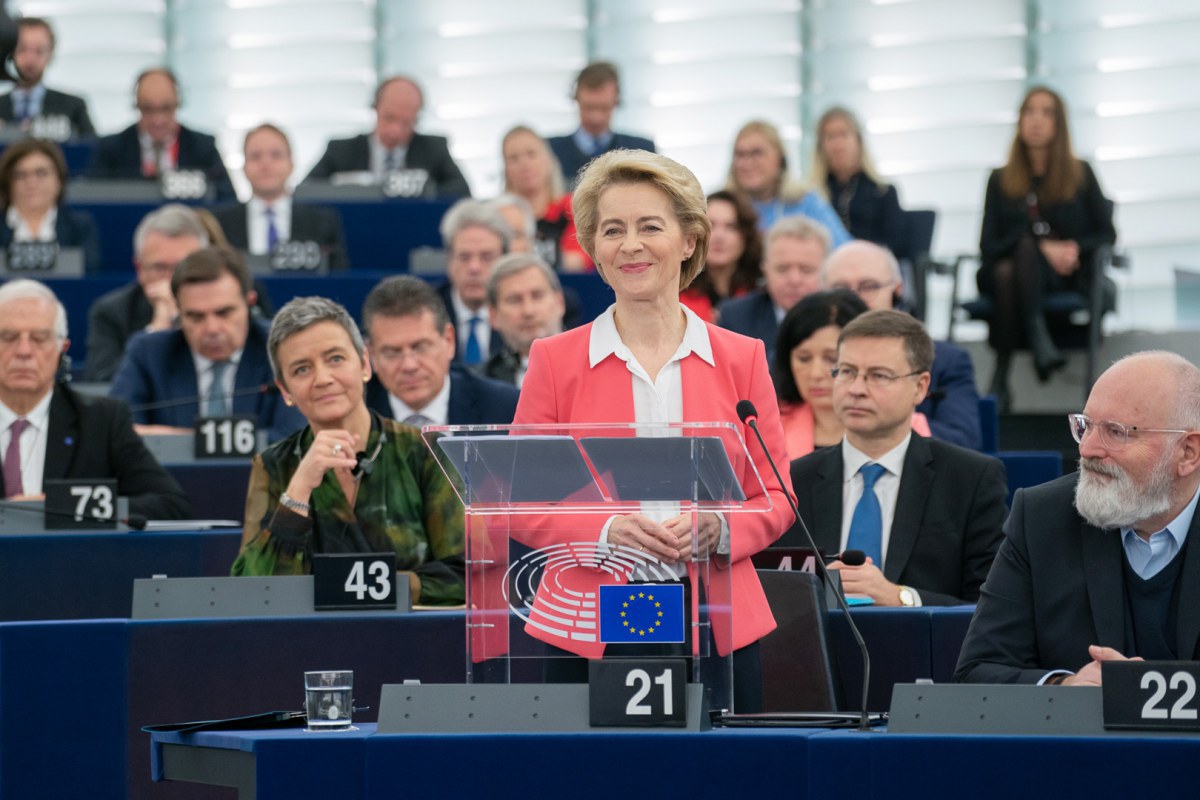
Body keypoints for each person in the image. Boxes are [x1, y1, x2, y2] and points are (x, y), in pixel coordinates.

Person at [513, 148, 795, 711]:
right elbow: (520, 496)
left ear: (690, 240)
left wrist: (718, 525)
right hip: (587, 612)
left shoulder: (741, 357)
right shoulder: (554, 360)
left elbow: (778, 496)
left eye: (650, 227)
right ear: (592, 247)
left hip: (716, 611)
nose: (631, 244)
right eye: (612, 230)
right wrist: (605, 529)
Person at [956, 352, 1200, 684]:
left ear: (1188, 452)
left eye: (1116, 432)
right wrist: (1065, 687)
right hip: (1082, 737)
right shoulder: (1042, 517)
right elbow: (977, 670)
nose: (1087, 449)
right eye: (1085, 426)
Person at [231, 296, 466, 604]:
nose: (323, 379)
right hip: (310, 645)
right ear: (285, 390)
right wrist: (299, 490)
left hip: (413, 639)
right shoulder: (273, 465)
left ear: (365, 364)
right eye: (302, 369)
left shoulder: (427, 452)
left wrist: (370, 589)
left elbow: (468, 574)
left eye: (335, 359)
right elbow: (249, 592)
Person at [784, 310, 1006, 606]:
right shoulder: (794, 480)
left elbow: (992, 605)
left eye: (878, 376)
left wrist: (901, 597)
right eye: (846, 372)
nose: (856, 389)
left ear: (920, 386)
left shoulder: (970, 479)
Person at [0, 279, 188, 519]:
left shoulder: (101, 421)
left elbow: (171, 505)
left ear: (62, 348)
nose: (24, 351)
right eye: (8, 337)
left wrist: (64, 508)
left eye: (39, 338)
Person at [978, 86, 1116, 407]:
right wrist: (1039, 246)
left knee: (1012, 269)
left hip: (1062, 276)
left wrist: (1072, 248)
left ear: (1060, 123)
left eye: (1046, 112)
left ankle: (1002, 376)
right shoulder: (999, 179)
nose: (1036, 120)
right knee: (1012, 262)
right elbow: (988, 245)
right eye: (1029, 111)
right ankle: (1038, 338)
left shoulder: (1080, 173)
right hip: (1004, 272)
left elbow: (1106, 234)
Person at [109, 246, 303, 441]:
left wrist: (189, 441)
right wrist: (214, 442)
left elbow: (294, 440)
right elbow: (116, 433)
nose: (211, 329)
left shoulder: (283, 348)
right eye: (195, 316)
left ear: (250, 303)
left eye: (224, 312)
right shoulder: (148, 352)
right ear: (178, 311)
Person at [823, 240, 983, 451]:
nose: (856, 299)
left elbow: (962, 440)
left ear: (897, 289)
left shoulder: (944, 361)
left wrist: (884, 429)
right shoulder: (803, 359)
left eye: (869, 286)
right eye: (841, 289)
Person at [775, 289, 932, 460]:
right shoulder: (766, 426)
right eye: (803, 358)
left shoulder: (904, 425)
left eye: (832, 359)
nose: (816, 374)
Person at [362, 276, 518, 427]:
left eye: (420, 347)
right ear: (372, 355)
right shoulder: (353, 412)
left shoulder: (506, 408)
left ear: (449, 341)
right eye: (392, 352)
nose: (409, 365)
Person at [83, 204, 208, 381]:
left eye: (183, 268)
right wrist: (156, 330)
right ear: (139, 269)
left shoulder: (230, 306)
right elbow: (101, 385)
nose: (172, 279)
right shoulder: (111, 313)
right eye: (160, 268)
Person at [304, 76, 470, 197]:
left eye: (406, 123)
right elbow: (307, 191)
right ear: (375, 109)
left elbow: (462, 193)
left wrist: (422, 188)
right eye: (389, 118)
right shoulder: (341, 151)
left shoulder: (434, 150)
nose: (395, 131)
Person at [86, 68, 236, 202]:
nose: (158, 120)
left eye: (166, 108)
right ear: (136, 106)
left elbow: (227, 200)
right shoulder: (111, 150)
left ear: (178, 104)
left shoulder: (202, 147)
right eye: (148, 109)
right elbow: (92, 199)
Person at [213, 123, 348, 270]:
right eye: (255, 156)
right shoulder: (219, 224)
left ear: (291, 164)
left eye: (276, 155)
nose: (266, 164)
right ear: (244, 167)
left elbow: (337, 275)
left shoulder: (323, 222)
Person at [718, 215, 831, 362]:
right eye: (782, 269)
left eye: (806, 269)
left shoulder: (840, 318)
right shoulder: (735, 317)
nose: (794, 280)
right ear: (765, 269)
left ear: (825, 271)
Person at [725, 119, 850, 243]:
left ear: (780, 159)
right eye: (740, 154)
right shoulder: (724, 207)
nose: (747, 163)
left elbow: (844, 250)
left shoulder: (806, 202)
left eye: (757, 153)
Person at [810, 106, 905, 256]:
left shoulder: (883, 192)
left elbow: (895, 245)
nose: (837, 145)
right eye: (829, 136)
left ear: (858, 140)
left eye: (843, 134)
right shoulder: (812, 198)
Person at [546, 62, 656, 186]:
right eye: (588, 107)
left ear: (616, 102)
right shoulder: (549, 151)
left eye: (604, 108)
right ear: (576, 99)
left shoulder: (641, 152)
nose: (596, 118)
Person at [0, 138, 100, 270]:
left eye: (41, 173)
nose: (31, 183)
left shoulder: (80, 227)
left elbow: (89, 271)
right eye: (20, 175)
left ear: (59, 180)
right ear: (8, 183)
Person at [501, 125, 590, 272]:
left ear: (549, 159)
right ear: (505, 170)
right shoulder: (498, 214)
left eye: (531, 154)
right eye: (513, 158)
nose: (524, 164)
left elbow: (577, 261)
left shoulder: (574, 207)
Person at [435, 199, 509, 365]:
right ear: (449, 261)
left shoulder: (520, 308)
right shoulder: (427, 309)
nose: (474, 268)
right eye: (464, 257)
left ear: (504, 260)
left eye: (486, 257)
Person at [0, 17, 95, 138]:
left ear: (50, 54)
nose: (30, 59)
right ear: (10, 52)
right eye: (22, 49)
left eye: (39, 51)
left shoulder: (73, 107)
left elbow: (92, 150)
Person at [481, 253, 565, 388]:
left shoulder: (593, 363)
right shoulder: (483, 383)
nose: (528, 311)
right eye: (515, 300)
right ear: (493, 315)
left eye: (537, 296)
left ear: (559, 303)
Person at [679, 190, 763, 323]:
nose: (719, 236)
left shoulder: (763, 293)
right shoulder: (675, 291)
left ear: (746, 236)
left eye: (731, 227)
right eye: (711, 225)